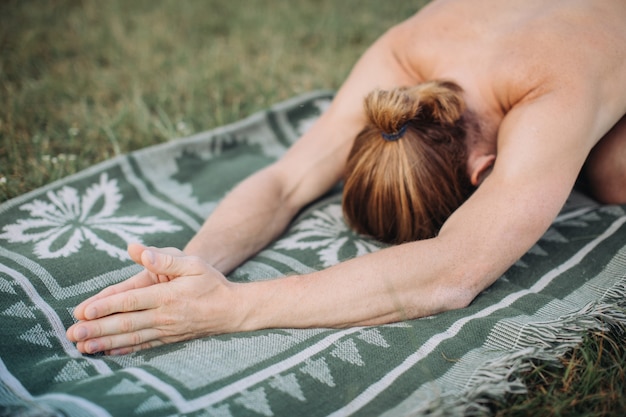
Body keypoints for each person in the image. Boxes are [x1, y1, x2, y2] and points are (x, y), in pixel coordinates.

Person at [67, 0, 626, 355]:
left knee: (610, 176)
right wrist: (191, 270)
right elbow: (286, 181)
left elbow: (453, 270)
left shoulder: (547, 86)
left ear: (486, 172)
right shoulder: (405, 56)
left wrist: (232, 307)